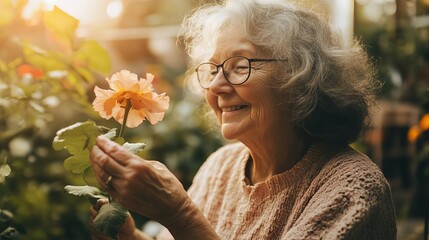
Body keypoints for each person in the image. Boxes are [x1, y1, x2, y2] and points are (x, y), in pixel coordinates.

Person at [89, 0, 397, 239]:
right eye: (212, 69)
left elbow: (187, 228)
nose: (217, 86)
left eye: (239, 66)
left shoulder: (352, 188)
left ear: (302, 75)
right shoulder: (221, 166)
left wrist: (179, 213)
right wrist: (131, 237)